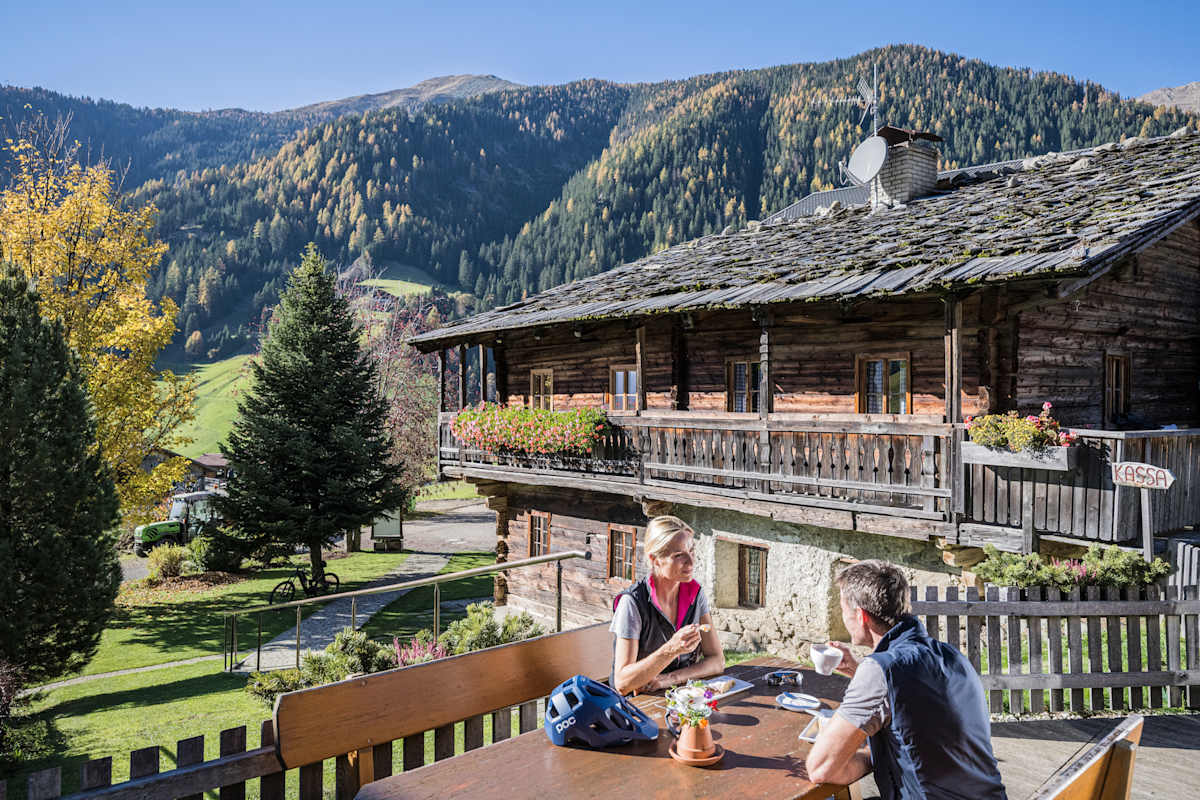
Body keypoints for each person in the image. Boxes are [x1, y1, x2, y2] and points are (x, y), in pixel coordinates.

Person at [805, 560, 1007, 800]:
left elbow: (820, 769)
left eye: (843, 610)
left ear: (860, 615)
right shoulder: (950, 655)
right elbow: (917, 701)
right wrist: (860, 670)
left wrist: (873, 757)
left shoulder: (880, 672)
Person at [609, 515, 724, 695]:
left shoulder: (695, 594)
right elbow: (622, 683)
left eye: (691, 551)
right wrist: (671, 649)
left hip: (682, 698)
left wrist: (669, 679)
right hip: (637, 706)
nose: (691, 562)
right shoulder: (632, 603)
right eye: (679, 555)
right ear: (655, 559)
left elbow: (717, 661)